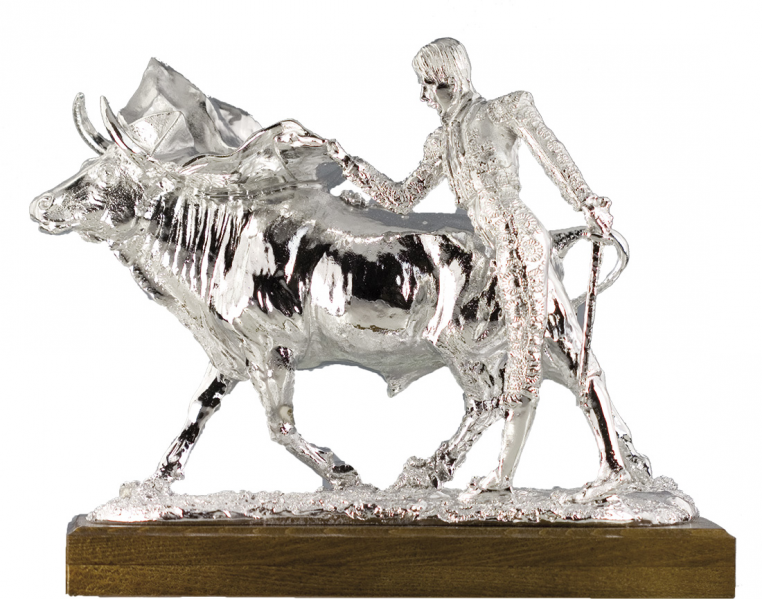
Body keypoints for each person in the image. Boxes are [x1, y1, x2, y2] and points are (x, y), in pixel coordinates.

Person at [325, 38, 648, 498]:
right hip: (498, 252)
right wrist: (350, 165)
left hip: (521, 242)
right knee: (545, 357)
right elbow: (402, 198)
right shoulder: (442, 141)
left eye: (426, 84)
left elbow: (551, 154)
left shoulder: (503, 110)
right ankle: (535, 473)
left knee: (541, 357)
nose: (422, 95)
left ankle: (593, 469)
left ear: (448, 78)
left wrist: (588, 201)